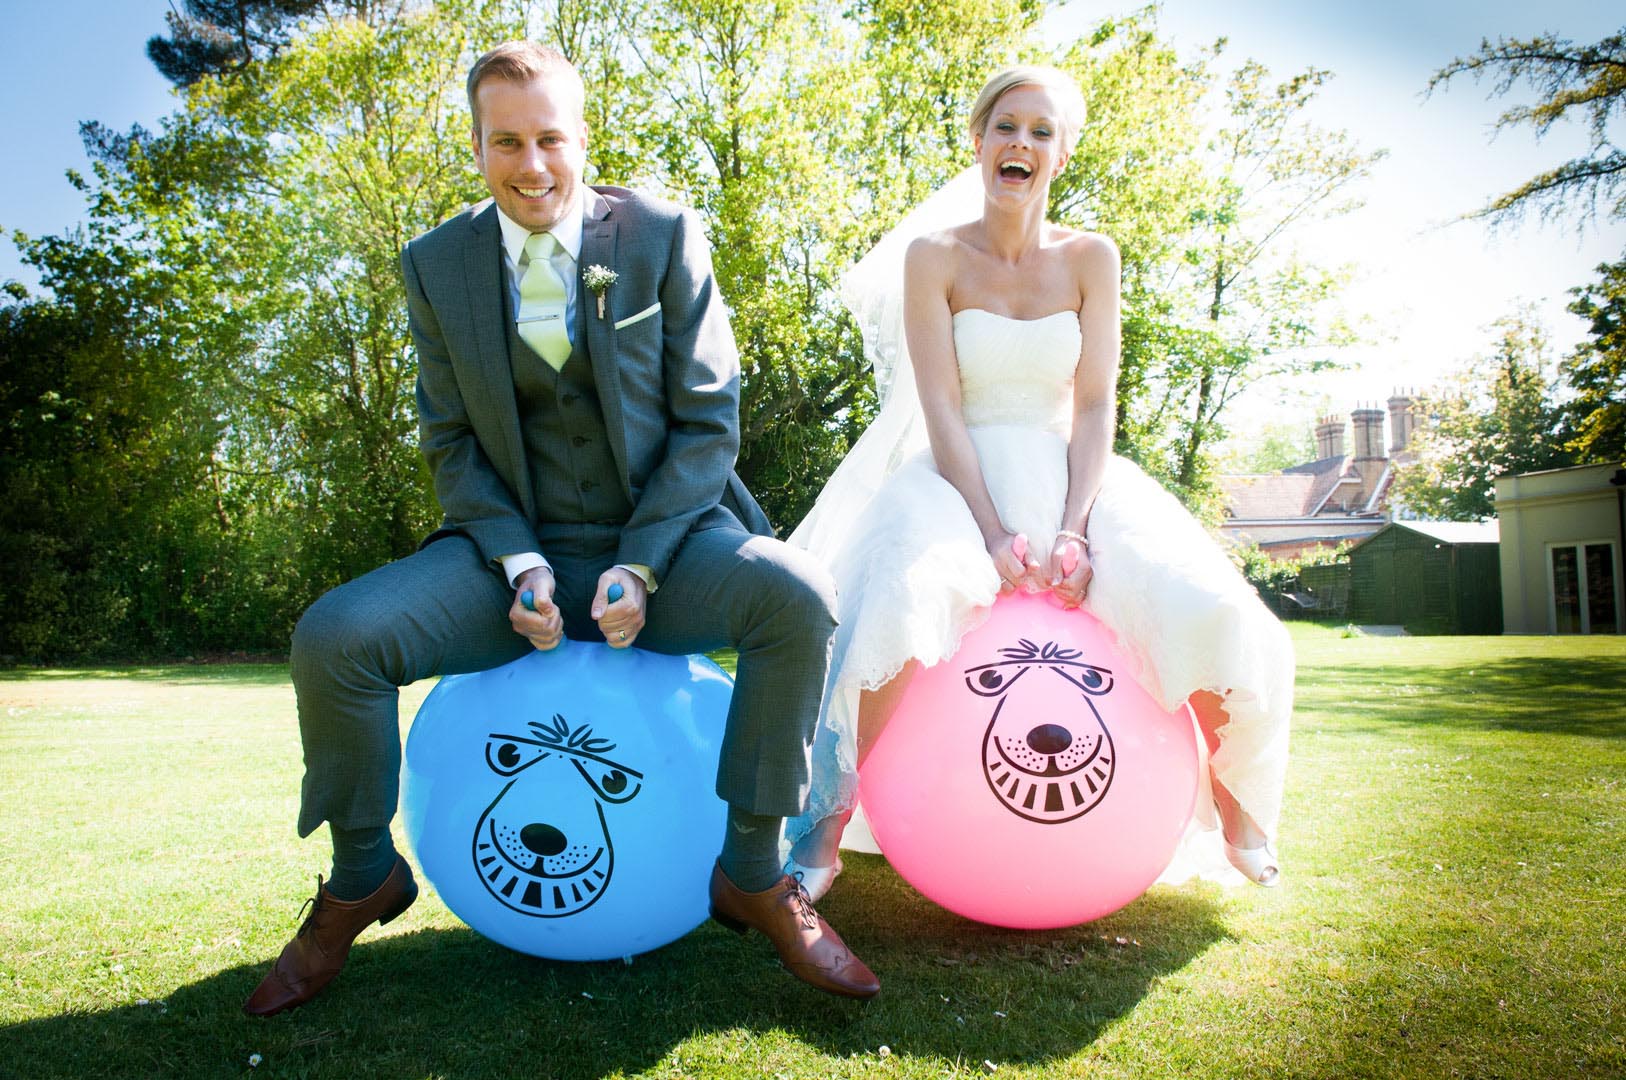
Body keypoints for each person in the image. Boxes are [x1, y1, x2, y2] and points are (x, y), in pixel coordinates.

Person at [243, 42, 879, 1015]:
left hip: (666, 544)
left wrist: (642, 564)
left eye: (550, 138)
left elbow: (710, 424)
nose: (532, 165)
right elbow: (452, 440)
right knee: (336, 637)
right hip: (510, 559)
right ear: (477, 144)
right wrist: (517, 559)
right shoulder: (434, 265)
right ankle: (361, 877)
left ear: (584, 138)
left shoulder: (662, 234)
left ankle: (754, 873)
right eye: (507, 142)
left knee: (797, 597)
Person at [782, 65, 1294, 902]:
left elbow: (1095, 406)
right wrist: (986, 531)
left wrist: (1076, 528)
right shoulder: (934, 257)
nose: (1021, 143)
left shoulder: (1093, 258)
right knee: (893, 605)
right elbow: (941, 406)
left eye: (1041, 131)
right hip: (957, 476)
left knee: (1204, 602)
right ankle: (822, 829)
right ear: (978, 142)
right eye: (1006, 127)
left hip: (1069, 474)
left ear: (1062, 154)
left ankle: (1240, 813)